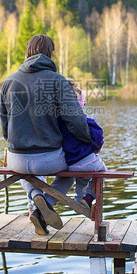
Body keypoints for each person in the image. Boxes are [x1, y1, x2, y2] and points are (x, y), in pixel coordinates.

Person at [0, 34, 92, 235]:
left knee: (24, 167)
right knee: (72, 170)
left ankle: (34, 196)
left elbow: (5, 128)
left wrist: (17, 143)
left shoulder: (8, 82)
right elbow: (76, 121)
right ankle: (47, 203)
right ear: (50, 54)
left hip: (16, 159)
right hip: (48, 159)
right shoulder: (57, 81)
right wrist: (89, 140)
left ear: (27, 53)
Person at [57, 79, 106, 211]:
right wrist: (96, 147)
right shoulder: (86, 121)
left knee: (82, 179)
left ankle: (80, 201)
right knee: (102, 171)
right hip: (89, 162)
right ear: (80, 104)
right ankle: (89, 197)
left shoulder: (58, 124)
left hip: (71, 165)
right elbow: (98, 139)